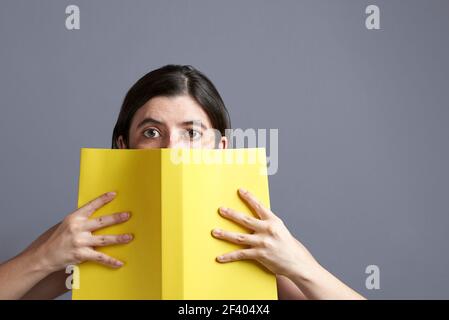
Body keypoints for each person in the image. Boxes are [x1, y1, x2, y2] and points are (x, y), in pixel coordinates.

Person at [0, 65, 365, 300]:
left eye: (191, 133)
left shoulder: (250, 235)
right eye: (152, 131)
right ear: (123, 147)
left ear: (221, 148)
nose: (171, 148)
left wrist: (301, 266)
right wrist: (43, 257)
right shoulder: (91, 234)